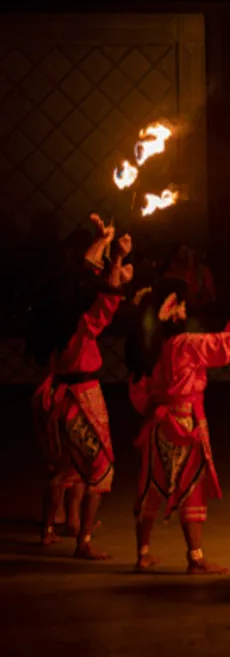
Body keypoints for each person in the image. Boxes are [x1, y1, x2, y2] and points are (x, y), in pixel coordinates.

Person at [126, 279, 230, 573]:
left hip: (157, 427)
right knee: (190, 486)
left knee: (151, 487)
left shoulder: (150, 349)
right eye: (182, 306)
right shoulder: (186, 344)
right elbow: (228, 347)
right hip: (184, 424)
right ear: (174, 312)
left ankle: (142, 553)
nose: (186, 309)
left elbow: (140, 395)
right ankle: (196, 558)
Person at [27, 217, 133, 557]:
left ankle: (47, 532)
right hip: (80, 400)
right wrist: (116, 259)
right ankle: (83, 542)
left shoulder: (52, 329)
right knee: (101, 470)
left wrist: (103, 242)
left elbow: (82, 277)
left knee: (65, 469)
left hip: (57, 401)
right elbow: (109, 299)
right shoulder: (81, 330)